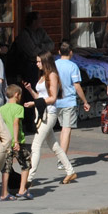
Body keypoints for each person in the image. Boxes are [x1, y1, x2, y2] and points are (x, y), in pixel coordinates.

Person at [23, 51, 75, 188]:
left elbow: (52, 98)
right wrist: (30, 90)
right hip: (42, 113)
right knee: (54, 145)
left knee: (36, 145)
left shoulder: (52, 75)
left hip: (49, 114)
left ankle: (29, 178)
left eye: (39, 61)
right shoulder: (43, 76)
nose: (37, 64)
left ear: (46, 62)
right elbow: (39, 97)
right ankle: (70, 170)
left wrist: (34, 103)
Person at [54, 42, 90, 183]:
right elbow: (77, 85)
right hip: (69, 101)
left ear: (58, 51)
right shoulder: (73, 66)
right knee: (66, 129)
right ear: (71, 52)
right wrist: (85, 101)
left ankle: (61, 158)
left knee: (61, 129)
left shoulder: (54, 65)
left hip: (56, 101)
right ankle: (62, 160)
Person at [0, 84, 32, 200]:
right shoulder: (19, 108)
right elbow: (16, 123)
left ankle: (4, 192)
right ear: (17, 95)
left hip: (6, 142)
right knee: (26, 164)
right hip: (17, 141)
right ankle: (22, 189)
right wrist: (16, 141)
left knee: (6, 167)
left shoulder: (1, 109)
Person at [11, 11, 53, 87]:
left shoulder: (41, 31)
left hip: (41, 64)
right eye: (40, 19)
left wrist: (40, 46)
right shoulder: (24, 35)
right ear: (34, 21)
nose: (41, 21)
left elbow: (51, 45)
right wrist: (43, 49)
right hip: (28, 67)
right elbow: (33, 52)